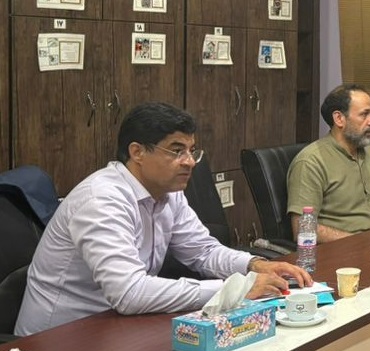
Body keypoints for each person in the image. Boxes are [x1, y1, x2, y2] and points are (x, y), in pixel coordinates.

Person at [16, 102, 311, 336]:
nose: (190, 161)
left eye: (192, 151)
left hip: (118, 326)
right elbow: (129, 293)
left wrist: (254, 265)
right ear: (137, 152)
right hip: (59, 341)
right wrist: (235, 290)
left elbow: (203, 251)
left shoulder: (169, 193)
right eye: (176, 150)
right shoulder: (102, 200)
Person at [286, 84, 370, 242]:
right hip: (342, 250)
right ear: (339, 119)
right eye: (364, 114)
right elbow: (303, 229)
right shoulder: (311, 162)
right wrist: (361, 244)